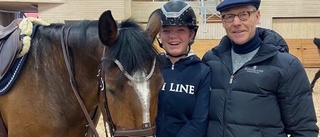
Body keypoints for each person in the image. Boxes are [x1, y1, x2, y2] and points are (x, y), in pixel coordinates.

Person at [202, 0, 319, 136]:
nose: (236, 22)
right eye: (229, 16)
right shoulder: (211, 60)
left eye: (244, 14)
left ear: (257, 16)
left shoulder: (287, 66)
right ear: (223, 21)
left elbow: (303, 130)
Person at [155, 1, 211, 137]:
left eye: (181, 30)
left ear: (191, 35)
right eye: (166, 30)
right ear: (159, 35)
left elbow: (199, 121)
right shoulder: (150, 68)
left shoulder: (202, 72)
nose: (173, 36)